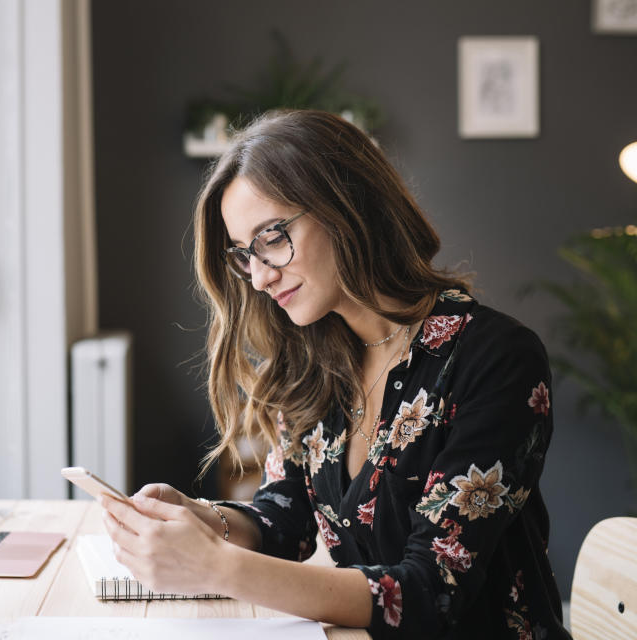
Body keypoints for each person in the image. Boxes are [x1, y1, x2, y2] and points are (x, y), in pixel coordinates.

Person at [99, 110, 570, 639]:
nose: (258, 277)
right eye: (243, 255)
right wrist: (208, 520)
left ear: (346, 206)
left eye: (272, 238)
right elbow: (288, 521)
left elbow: (430, 594)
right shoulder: (310, 363)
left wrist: (215, 565)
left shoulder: (496, 358)